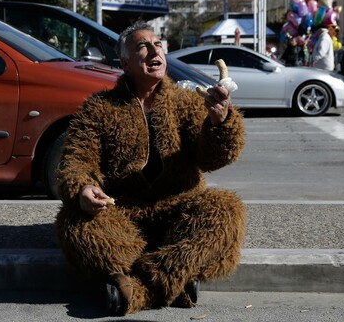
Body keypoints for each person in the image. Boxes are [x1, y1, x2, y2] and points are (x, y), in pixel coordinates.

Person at [54, 20, 246, 316]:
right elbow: (77, 159)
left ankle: (139, 290)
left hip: (180, 209)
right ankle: (176, 277)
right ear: (125, 62)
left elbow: (213, 159)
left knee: (227, 210)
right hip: (121, 212)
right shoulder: (100, 107)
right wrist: (83, 188)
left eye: (158, 45)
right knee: (74, 223)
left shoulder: (187, 103)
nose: (154, 51)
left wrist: (219, 122)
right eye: (143, 46)